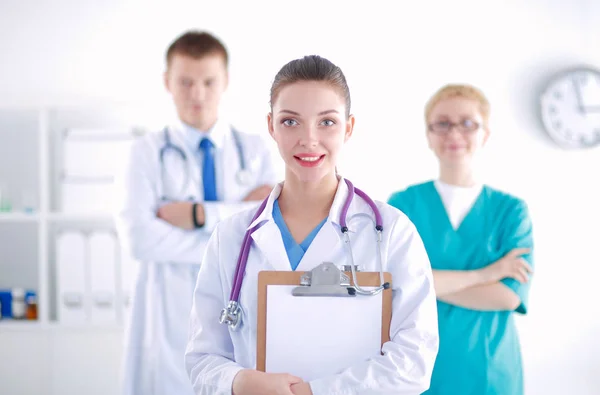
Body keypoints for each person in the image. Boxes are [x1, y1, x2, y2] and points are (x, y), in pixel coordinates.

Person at [184, 55, 439, 395]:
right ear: (271, 126)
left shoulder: (391, 232)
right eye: (291, 122)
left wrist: (311, 392)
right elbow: (202, 358)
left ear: (348, 128)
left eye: (327, 122)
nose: (308, 139)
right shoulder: (231, 237)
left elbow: (414, 362)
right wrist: (239, 381)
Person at [114, 30, 279, 395]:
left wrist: (199, 216)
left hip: (237, 300)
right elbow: (140, 239)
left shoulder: (255, 150)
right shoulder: (145, 152)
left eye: (208, 82)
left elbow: (269, 230)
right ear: (167, 82)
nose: (197, 94)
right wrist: (235, 219)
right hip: (168, 310)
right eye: (185, 82)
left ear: (226, 82)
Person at [387, 84, 535, 395]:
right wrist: (485, 275)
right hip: (417, 369)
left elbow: (508, 296)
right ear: (428, 135)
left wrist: (426, 284)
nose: (454, 133)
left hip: (489, 372)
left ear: (485, 134)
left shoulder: (511, 211)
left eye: (467, 123)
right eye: (442, 123)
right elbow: (393, 286)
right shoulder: (403, 205)